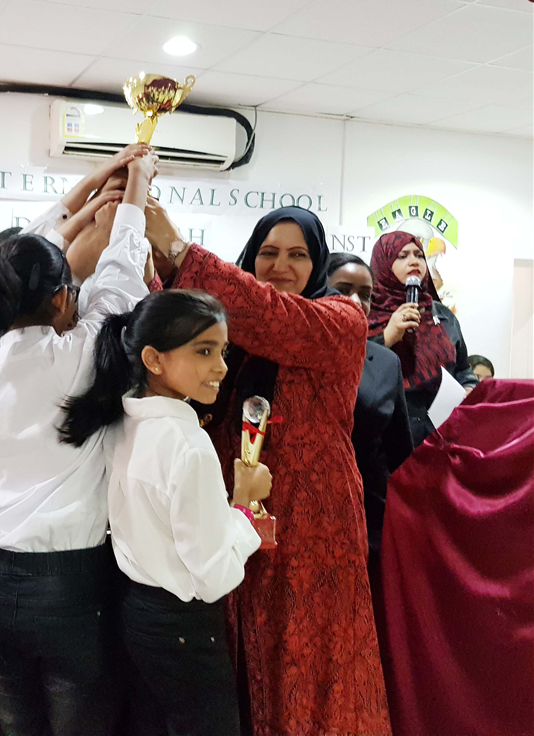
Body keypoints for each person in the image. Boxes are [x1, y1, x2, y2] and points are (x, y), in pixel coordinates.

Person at [144, 203, 391, 736]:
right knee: (241, 654)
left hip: (315, 531)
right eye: (269, 253)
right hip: (234, 517)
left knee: (315, 662)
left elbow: (273, 317)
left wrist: (181, 252)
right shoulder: (228, 332)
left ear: (318, 263)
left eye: (297, 255)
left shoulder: (339, 321)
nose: (281, 266)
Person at [0, 151, 156, 736]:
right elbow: (121, 276)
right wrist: (135, 185)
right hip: (73, 585)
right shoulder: (83, 355)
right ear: (63, 297)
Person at [58, 290, 271, 736]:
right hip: (182, 625)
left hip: (136, 612)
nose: (222, 367)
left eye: (223, 351)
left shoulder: (122, 421)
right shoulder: (188, 445)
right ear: (154, 359)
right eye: (204, 351)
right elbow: (213, 576)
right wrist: (244, 507)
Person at [327, 252, 413, 654]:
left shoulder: (385, 362)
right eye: (342, 290)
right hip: (311, 512)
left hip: (370, 520)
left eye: (365, 294)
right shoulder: (300, 354)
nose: (355, 302)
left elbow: (400, 453)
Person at [367, 231, 477, 446]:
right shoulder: (367, 313)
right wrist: (387, 337)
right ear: (383, 264)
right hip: (386, 436)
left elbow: (464, 371)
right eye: (402, 256)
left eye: (419, 255)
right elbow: (355, 370)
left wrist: (469, 389)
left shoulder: (442, 315)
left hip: (442, 434)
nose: (414, 261)